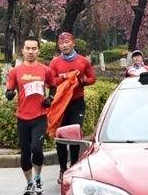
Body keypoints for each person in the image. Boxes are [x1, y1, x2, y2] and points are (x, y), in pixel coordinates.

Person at [5, 37, 56, 194]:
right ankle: (29, 182)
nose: (31, 51)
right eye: (28, 48)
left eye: (34, 48)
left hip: (39, 117)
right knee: (25, 154)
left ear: (38, 50)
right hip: (22, 118)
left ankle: (38, 177)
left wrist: (50, 99)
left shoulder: (45, 70)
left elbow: (53, 87)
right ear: (23, 50)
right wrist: (10, 94)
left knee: (37, 149)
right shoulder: (16, 71)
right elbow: (9, 91)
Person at [48, 32, 96, 183]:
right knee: (61, 136)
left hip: (77, 103)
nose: (64, 45)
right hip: (60, 104)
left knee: (74, 136)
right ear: (59, 45)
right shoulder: (55, 63)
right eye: (61, 43)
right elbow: (51, 81)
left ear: (73, 43)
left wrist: (82, 80)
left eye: (67, 42)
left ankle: (74, 167)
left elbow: (92, 78)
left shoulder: (83, 61)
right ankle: (63, 169)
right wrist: (63, 77)